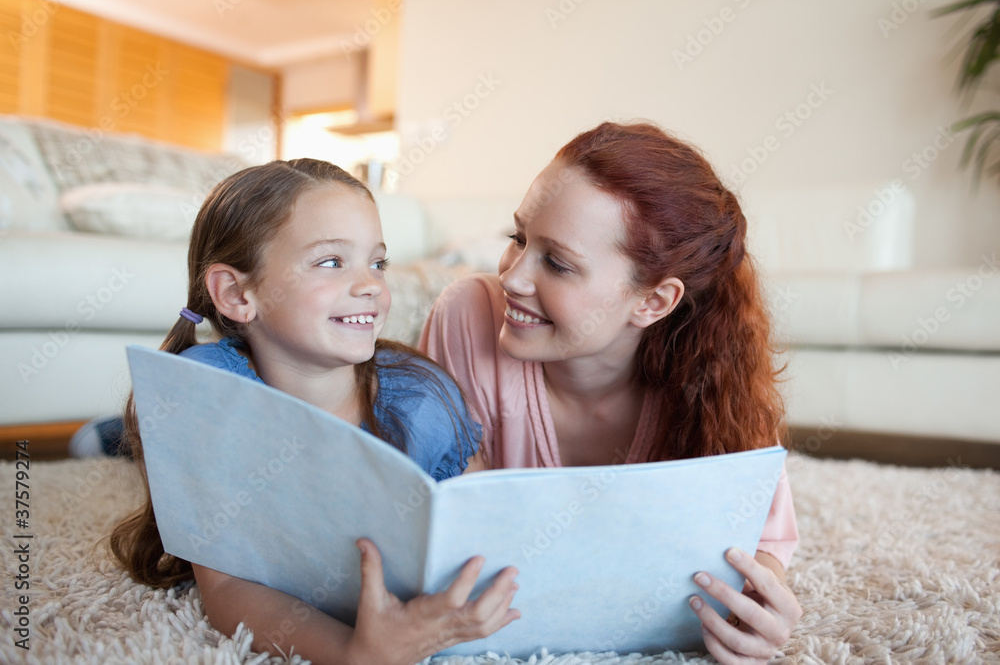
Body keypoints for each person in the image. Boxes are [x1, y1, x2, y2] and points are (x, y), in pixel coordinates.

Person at [109, 159, 519, 665]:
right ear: (238, 294)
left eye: (378, 263)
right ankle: (105, 436)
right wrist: (353, 652)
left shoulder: (420, 399)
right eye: (331, 262)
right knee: (122, 442)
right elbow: (225, 584)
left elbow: (484, 531)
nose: (370, 284)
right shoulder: (206, 391)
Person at [420, 122, 801, 664]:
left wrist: (761, 611)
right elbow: (465, 535)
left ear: (652, 302)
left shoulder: (717, 366)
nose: (512, 276)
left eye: (556, 262)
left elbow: (760, 544)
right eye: (518, 237)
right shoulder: (467, 316)